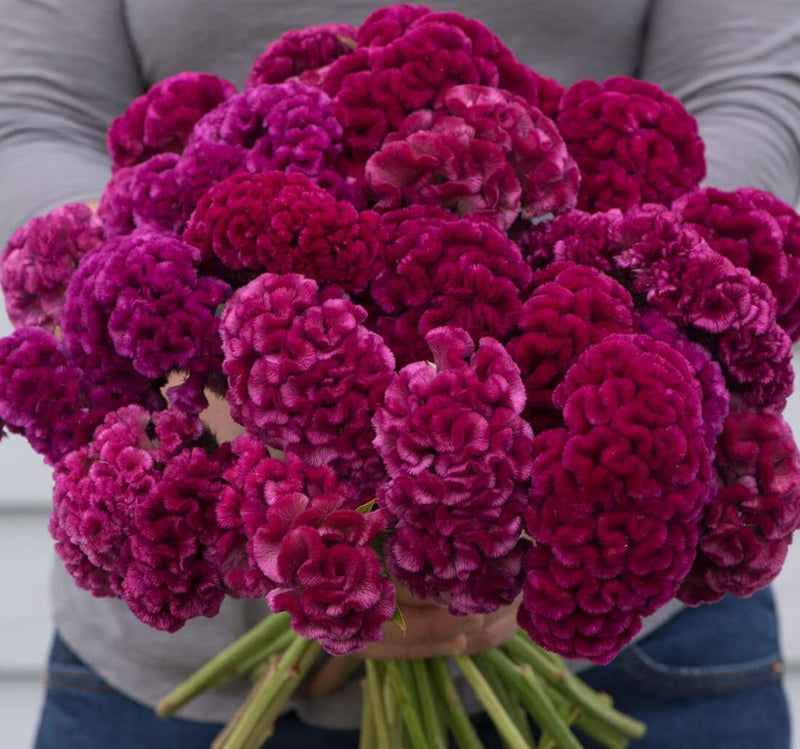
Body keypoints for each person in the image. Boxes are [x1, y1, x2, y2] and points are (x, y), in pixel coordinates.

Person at [0, 1, 798, 747]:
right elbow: (31, 113)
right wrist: (215, 381)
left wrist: (494, 499)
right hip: (159, 683)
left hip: (647, 658)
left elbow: (751, 90)